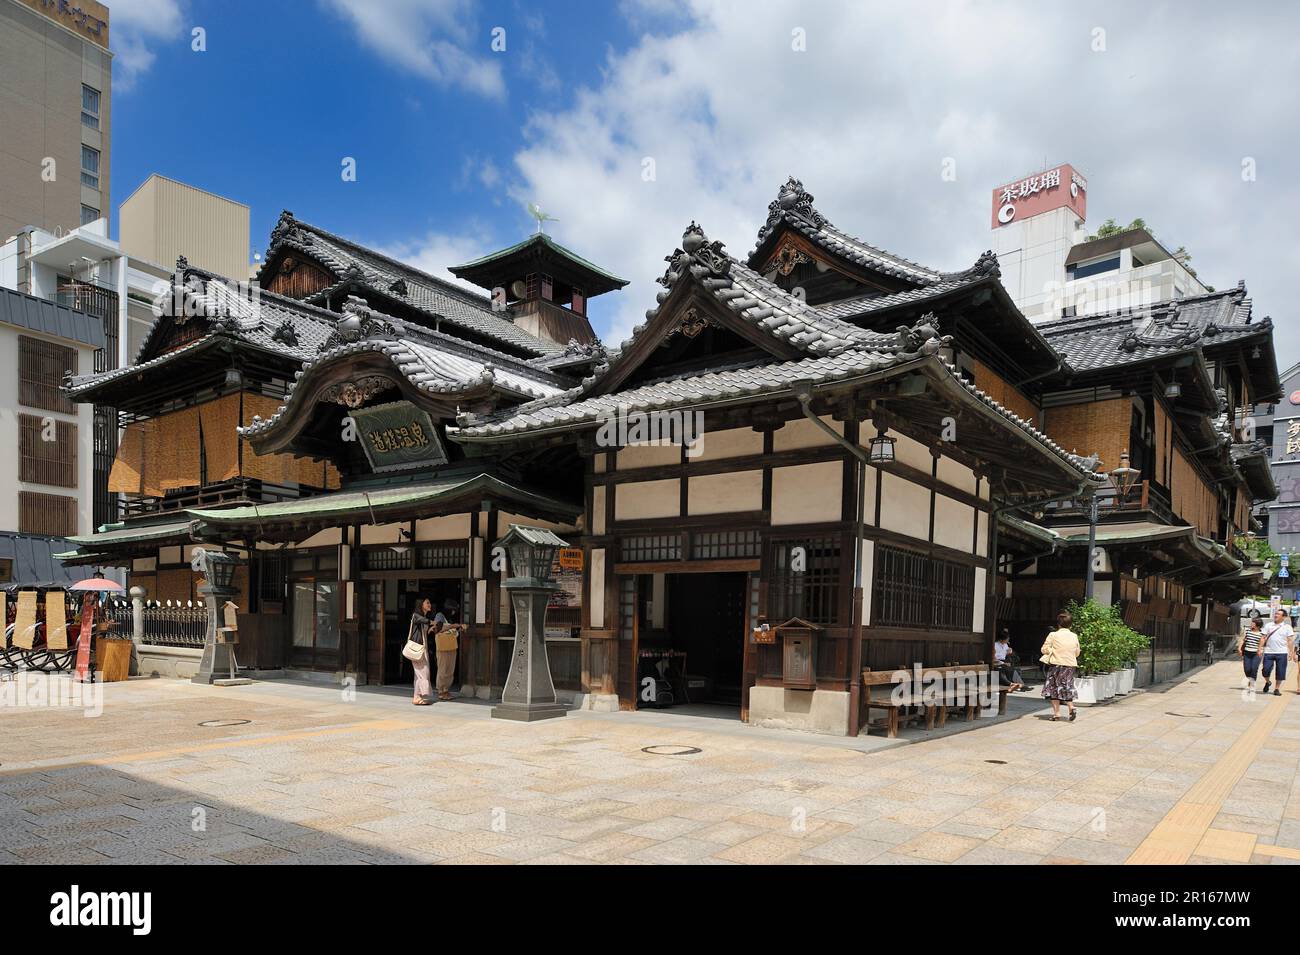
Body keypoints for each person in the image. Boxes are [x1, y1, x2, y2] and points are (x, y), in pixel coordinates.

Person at [1040, 610, 1081, 722]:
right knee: (1067, 686)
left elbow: (1043, 649)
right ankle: (1071, 707)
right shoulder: (1074, 636)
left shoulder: (1053, 635)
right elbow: (1077, 653)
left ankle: (1057, 714)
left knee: (1054, 688)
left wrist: (1052, 650)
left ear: (1058, 624)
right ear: (1070, 624)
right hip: (1070, 665)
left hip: (1056, 664)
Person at [432, 599, 465, 702]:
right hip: (442, 647)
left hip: (451, 646)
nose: (454, 612)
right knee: (443, 669)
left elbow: (451, 630)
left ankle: (446, 689)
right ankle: (441, 691)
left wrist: (458, 628)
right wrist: (454, 626)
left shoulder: (449, 618)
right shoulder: (440, 615)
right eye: (453, 610)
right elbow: (437, 629)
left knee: (450, 670)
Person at [1260, 608, 1294, 697]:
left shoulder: (1287, 627)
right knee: (1265, 670)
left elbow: (1290, 640)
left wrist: (1291, 652)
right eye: (1275, 614)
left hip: (1282, 652)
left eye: (1278, 614)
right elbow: (1263, 637)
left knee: (1280, 671)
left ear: (1284, 617)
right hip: (1268, 651)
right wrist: (1259, 648)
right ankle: (1268, 682)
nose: (1275, 615)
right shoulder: (1268, 625)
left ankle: (1277, 689)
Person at [409, 597, 434, 705]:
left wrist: (430, 629)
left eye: (430, 602)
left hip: (423, 649)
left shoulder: (422, 617)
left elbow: (423, 633)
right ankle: (417, 697)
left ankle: (417, 696)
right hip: (417, 649)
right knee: (423, 672)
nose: (430, 604)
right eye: (427, 602)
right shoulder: (416, 616)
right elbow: (424, 620)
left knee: (419, 673)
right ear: (421, 605)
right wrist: (432, 622)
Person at [1239, 615, 1264, 692]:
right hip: (1247, 653)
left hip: (1256, 654)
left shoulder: (1262, 633)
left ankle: (1252, 684)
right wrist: (1239, 648)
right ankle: (1250, 681)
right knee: (1247, 669)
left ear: (1257, 625)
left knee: (1254, 669)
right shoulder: (1248, 631)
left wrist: (1259, 650)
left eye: (1253, 623)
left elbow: (1262, 642)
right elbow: (1243, 640)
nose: (1251, 624)